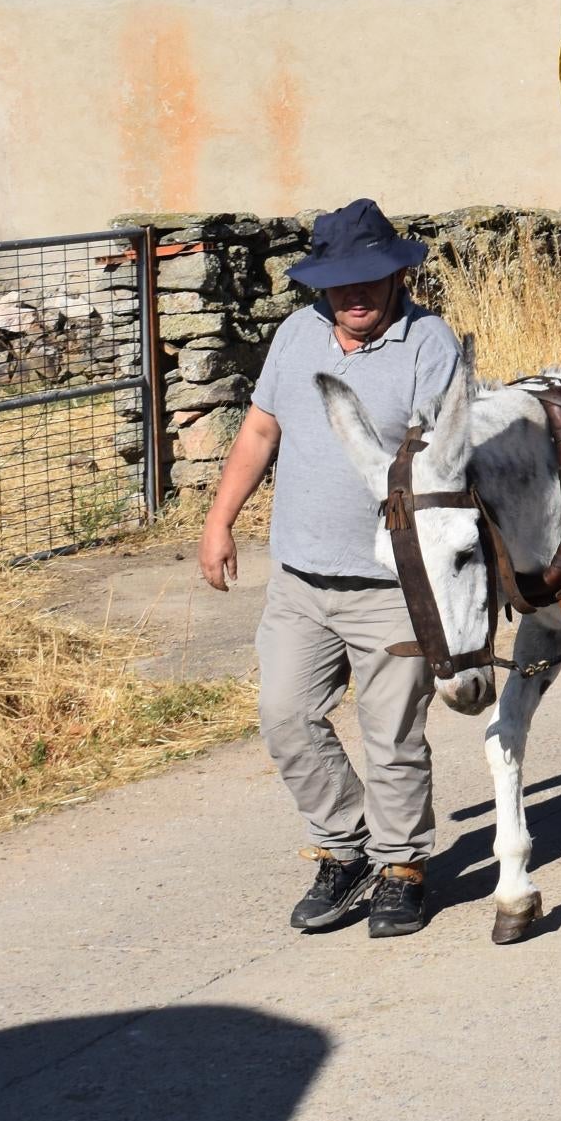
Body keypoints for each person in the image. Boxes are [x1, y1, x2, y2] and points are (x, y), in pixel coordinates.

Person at [199, 198, 469, 941]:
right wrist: (220, 520)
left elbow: (444, 460)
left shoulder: (427, 343)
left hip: (390, 586)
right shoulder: (297, 334)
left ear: (394, 277)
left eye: (367, 281)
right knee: (285, 715)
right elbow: (261, 428)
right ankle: (347, 847)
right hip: (299, 577)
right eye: (338, 284)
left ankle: (402, 867)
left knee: (392, 737)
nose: (352, 297)